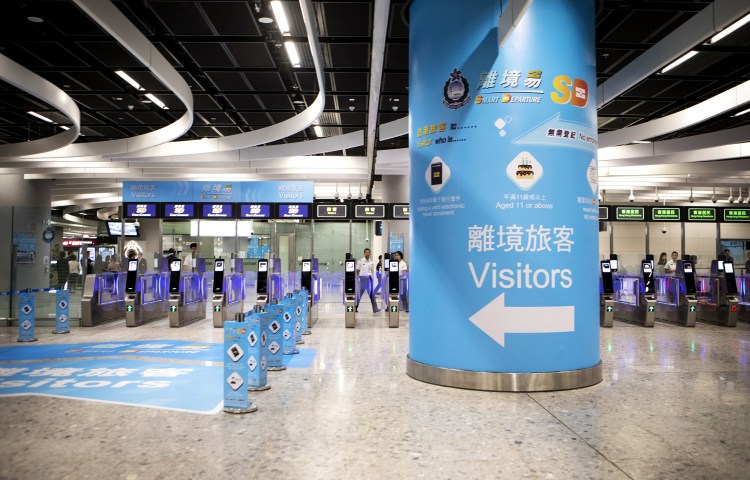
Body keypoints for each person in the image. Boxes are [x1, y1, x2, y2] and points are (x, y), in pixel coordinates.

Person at [355, 248, 380, 313]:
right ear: (364, 253)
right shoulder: (360, 261)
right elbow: (357, 270)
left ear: (370, 253)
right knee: (359, 295)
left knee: (372, 294)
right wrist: (358, 279)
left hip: (369, 279)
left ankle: (375, 309)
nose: (367, 253)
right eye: (366, 252)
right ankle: (355, 307)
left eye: (368, 252)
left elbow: (370, 271)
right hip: (362, 279)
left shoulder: (371, 262)